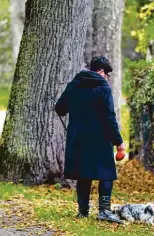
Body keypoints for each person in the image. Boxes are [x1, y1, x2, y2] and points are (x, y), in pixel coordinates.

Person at [55, 56, 125, 224]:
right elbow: (109, 117)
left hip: (78, 138)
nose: (107, 77)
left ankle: (83, 211)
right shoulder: (103, 88)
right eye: (107, 74)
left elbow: (60, 108)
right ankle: (104, 211)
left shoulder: (74, 85)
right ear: (101, 71)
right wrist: (118, 141)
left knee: (83, 174)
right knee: (106, 173)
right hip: (100, 138)